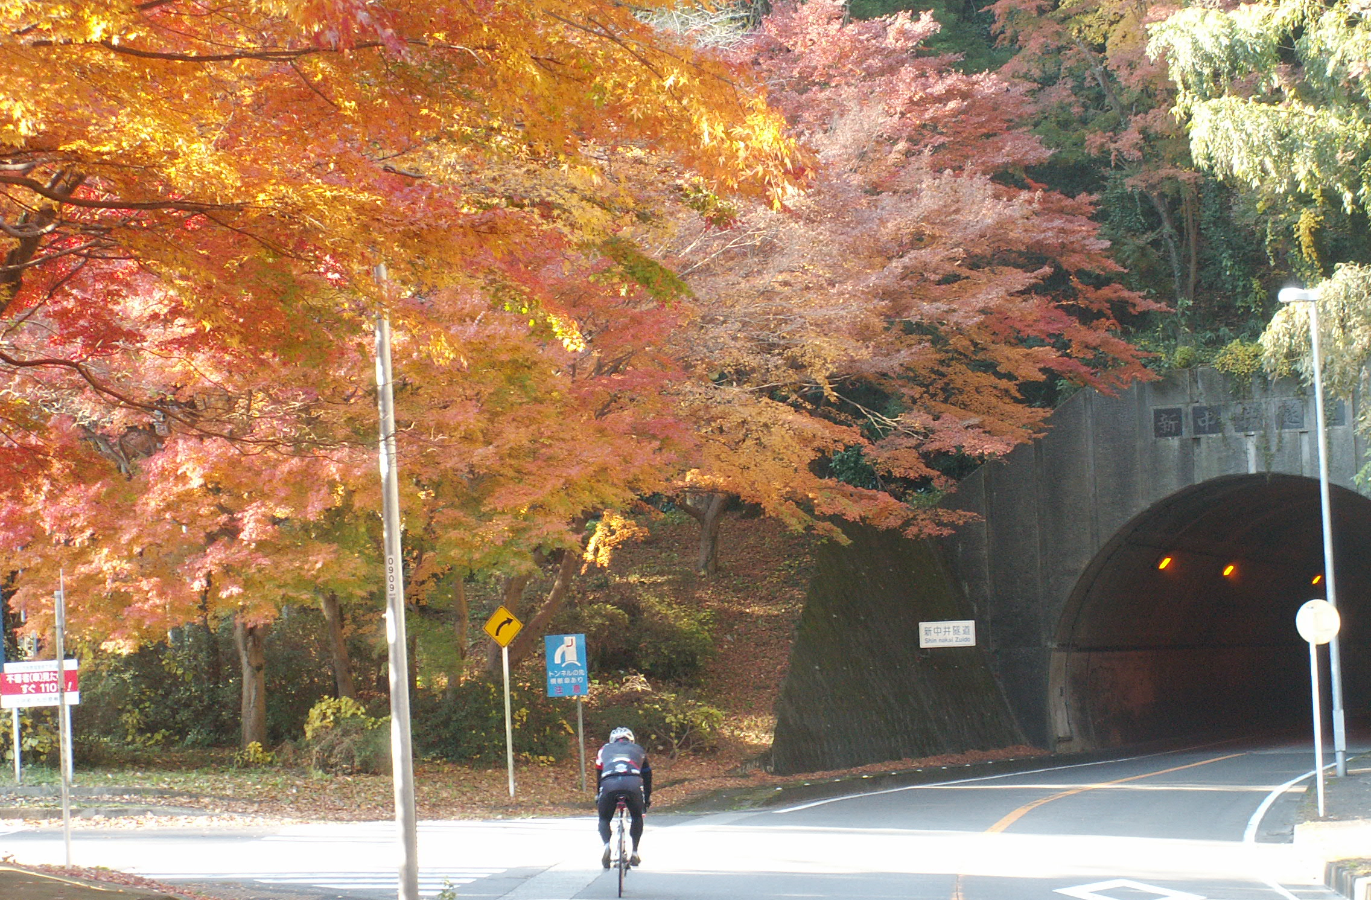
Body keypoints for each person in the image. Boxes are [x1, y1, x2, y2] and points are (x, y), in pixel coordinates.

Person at [595, 726, 652, 868]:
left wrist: (598, 795)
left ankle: (607, 845)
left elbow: (599, 775)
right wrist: (646, 799)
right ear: (630, 739)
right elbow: (647, 776)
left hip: (609, 782)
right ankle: (634, 852)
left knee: (604, 818)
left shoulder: (604, 750)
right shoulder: (638, 749)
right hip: (632, 782)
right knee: (637, 817)